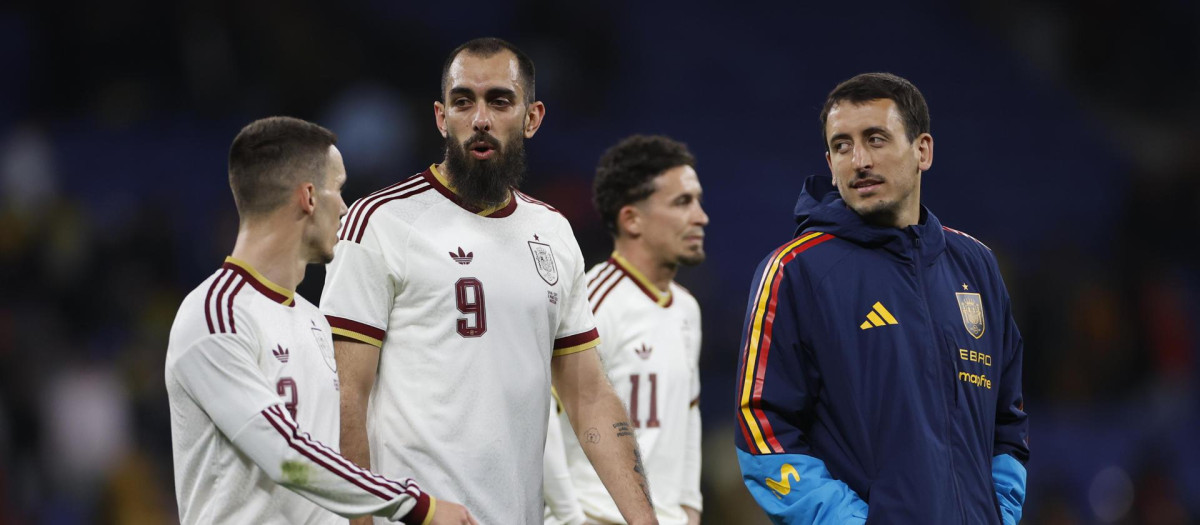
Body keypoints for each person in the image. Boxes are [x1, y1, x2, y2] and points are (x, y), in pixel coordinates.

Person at [320, 38, 658, 525]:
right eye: (463, 101)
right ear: (441, 118)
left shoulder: (553, 233)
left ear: (532, 117)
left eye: (499, 100)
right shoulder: (380, 223)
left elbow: (589, 397)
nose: (480, 118)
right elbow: (343, 395)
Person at [734, 73, 1029, 524]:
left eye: (875, 139)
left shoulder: (976, 265)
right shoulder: (795, 272)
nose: (859, 161)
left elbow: (1007, 422)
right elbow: (762, 429)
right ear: (829, 163)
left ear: (922, 150)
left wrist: (999, 513)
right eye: (842, 146)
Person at [165, 116, 475, 524]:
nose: (345, 207)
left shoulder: (313, 321)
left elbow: (331, 460)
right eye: (339, 188)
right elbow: (287, 458)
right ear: (309, 197)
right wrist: (419, 507)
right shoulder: (216, 316)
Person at [546, 135, 707, 524]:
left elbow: (687, 420)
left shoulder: (687, 309)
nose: (700, 216)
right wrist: (570, 518)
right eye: (682, 202)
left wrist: (689, 510)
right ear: (632, 219)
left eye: (697, 200)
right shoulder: (592, 303)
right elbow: (539, 421)